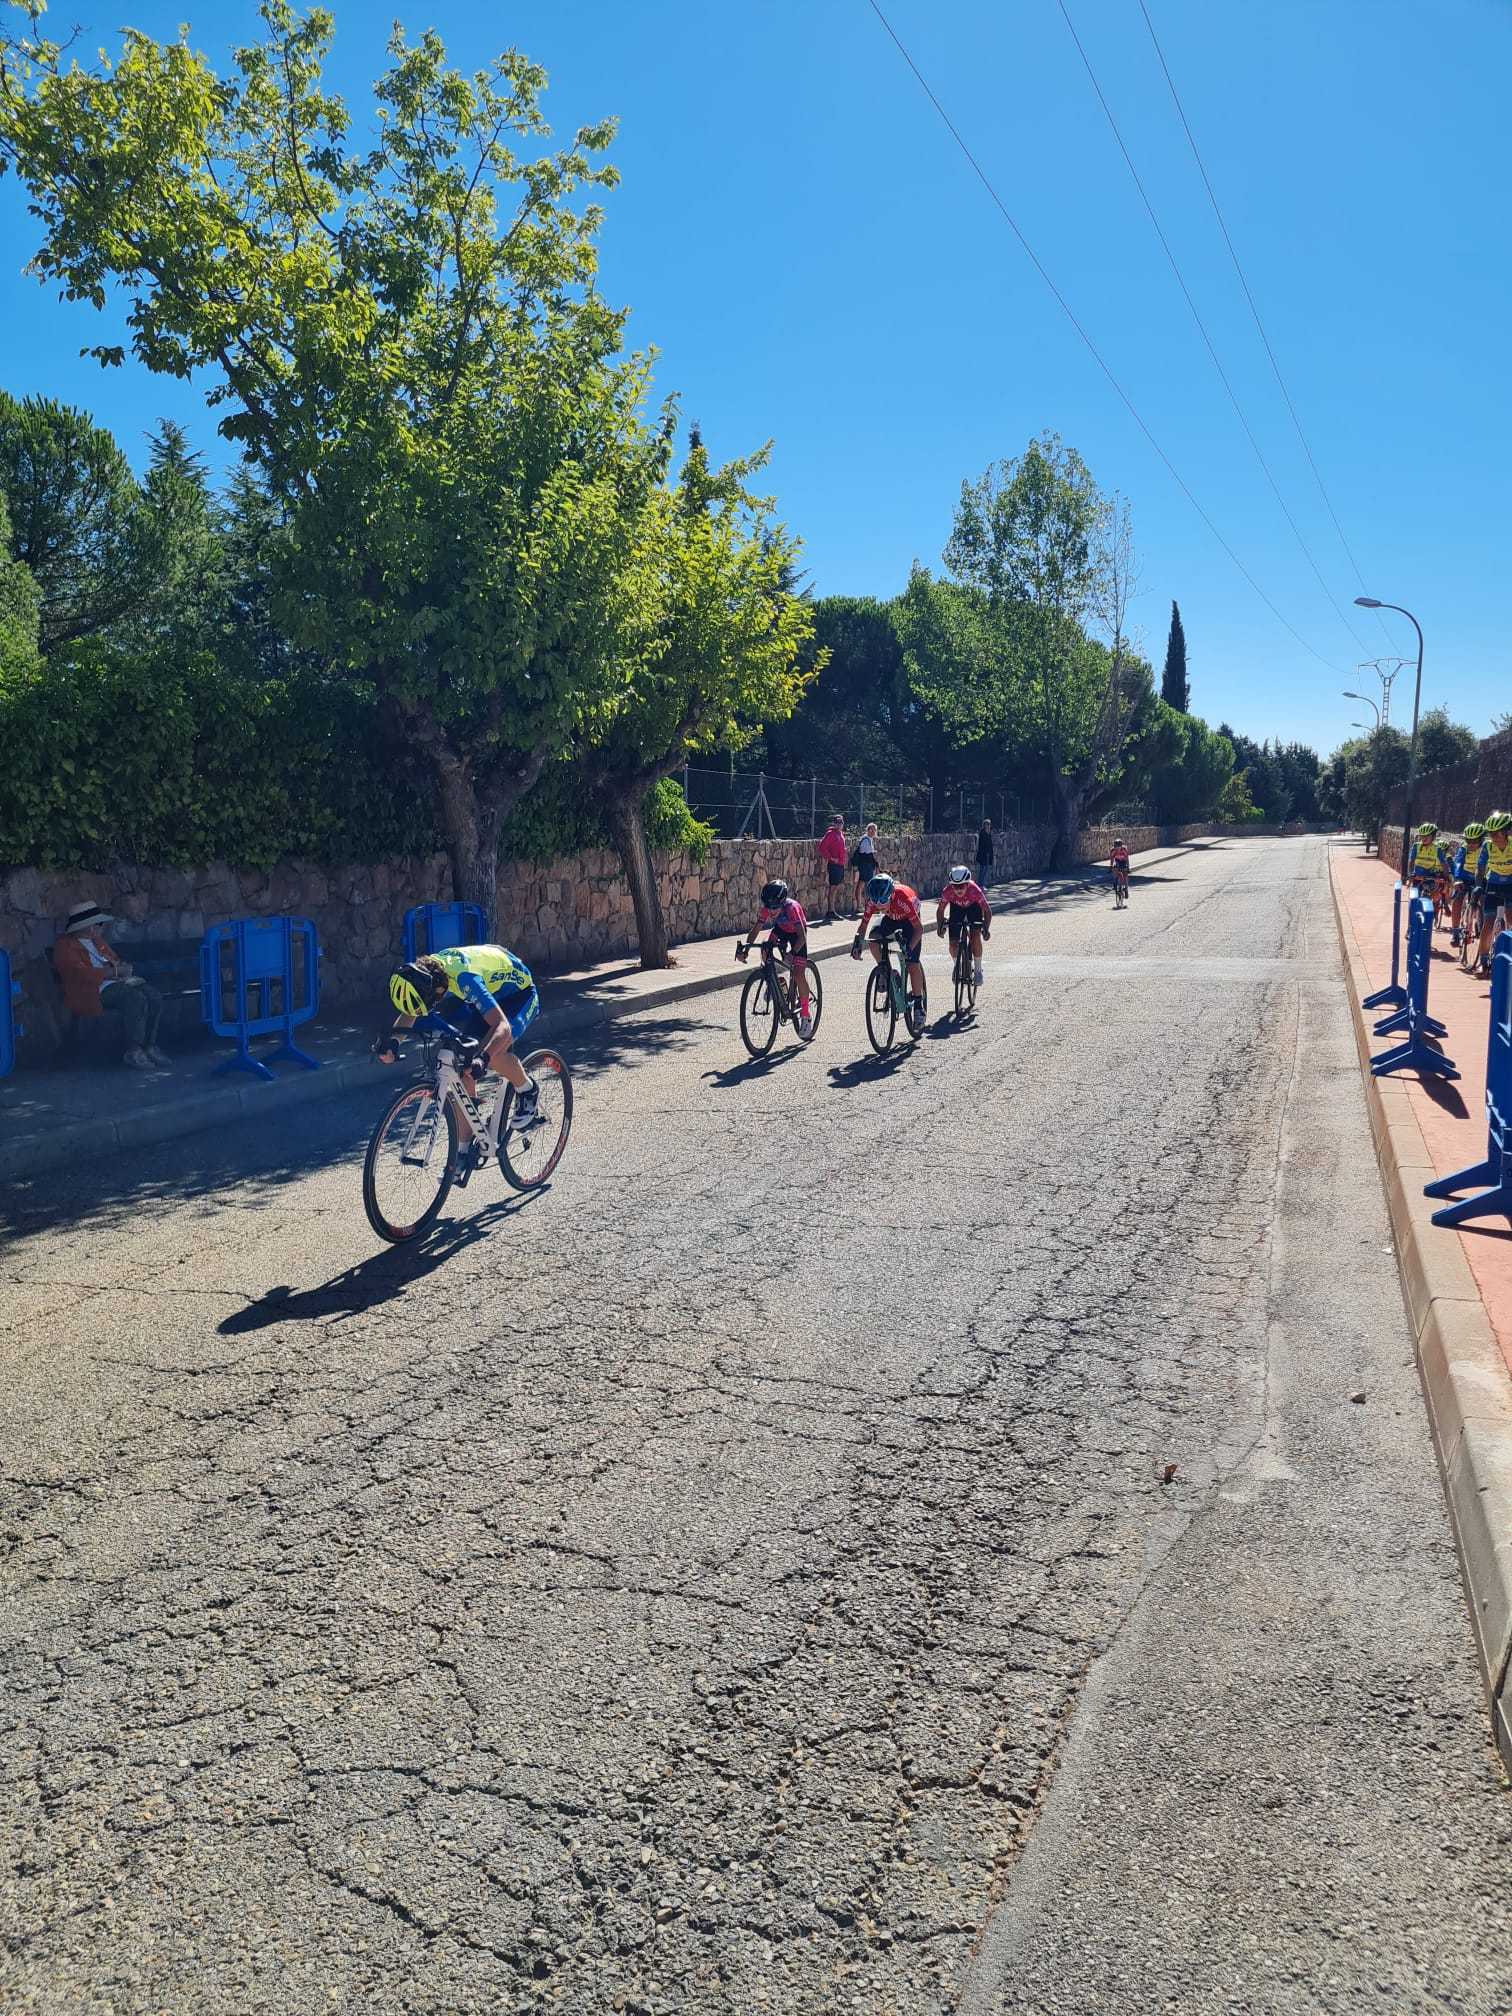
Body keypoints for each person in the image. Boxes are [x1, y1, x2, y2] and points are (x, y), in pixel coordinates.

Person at [379, 945, 540, 1184]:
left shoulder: (464, 979)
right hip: (492, 991)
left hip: (519, 995)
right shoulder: (426, 974)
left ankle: (527, 1089)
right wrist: (393, 1040)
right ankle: (463, 1152)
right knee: (461, 1066)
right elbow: (412, 1009)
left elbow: (502, 1027)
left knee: (492, 1055)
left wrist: (482, 1058)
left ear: (440, 990)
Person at [51, 900, 168, 1071]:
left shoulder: (97, 941)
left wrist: (123, 969)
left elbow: (114, 960)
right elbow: (80, 974)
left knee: (153, 995)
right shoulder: (65, 946)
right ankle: (134, 1050)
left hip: (114, 983)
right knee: (133, 997)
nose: (101, 927)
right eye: (98, 923)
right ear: (87, 926)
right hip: (89, 991)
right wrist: (114, 972)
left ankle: (149, 1045)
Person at [736, 878, 814, 1032]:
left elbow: (802, 937)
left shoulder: (791, 908)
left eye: (775, 909)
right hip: (781, 930)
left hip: (797, 934)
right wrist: (745, 949)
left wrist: (792, 953)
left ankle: (805, 1015)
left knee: (798, 974)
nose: (771, 912)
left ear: (782, 902)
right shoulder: (766, 909)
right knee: (765, 949)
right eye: (769, 908)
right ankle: (775, 983)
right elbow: (756, 930)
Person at [852, 872, 925, 1027]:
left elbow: (919, 929)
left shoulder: (903, 899)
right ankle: (886, 971)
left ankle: (918, 1005)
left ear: (891, 895)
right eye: (877, 904)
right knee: (873, 939)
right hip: (891, 919)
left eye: (883, 902)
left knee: (912, 963)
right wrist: (857, 943)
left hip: (909, 921)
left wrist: (909, 948)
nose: (880, 906)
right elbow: (863, 926)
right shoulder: (873, 902)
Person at [935, 865, 991, 989]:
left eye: (961, 886)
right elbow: (940, 910)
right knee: (953, 943)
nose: (958, 889)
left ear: (967, 884)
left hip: (973, 908)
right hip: (957, 909)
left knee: (975, 936)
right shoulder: (947, 891)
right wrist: (940, 926)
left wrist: (986, 928)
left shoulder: (975, 890)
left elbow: (987, 911)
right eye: (955, 886)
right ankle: (957, 966)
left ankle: (977, 970)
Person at [1473, 811, 1512, 973]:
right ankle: (1483, 959)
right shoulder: (1487, 846)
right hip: (1493, 884)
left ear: (1507, 831)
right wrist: (1478, 885)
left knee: (1510, 917)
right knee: (1488, 923)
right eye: (1490, 833)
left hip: (1510, 884)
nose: (1493, 837)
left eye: (1496, 833)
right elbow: (1480, 868)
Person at [1450, 821, 1484, 948]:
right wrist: (1457, 878)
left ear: (1481, 840)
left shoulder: (1485, 848)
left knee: (1483, 899)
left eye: (1474, 841)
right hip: (1464, 878)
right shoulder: (1464, 848)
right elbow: (1458, 863)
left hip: (1479, 879)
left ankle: (1480, 922)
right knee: (1457, 900)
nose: (1470, 844)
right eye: (1468, 841)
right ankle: (1455, 932)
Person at [816, 815, 849, 923]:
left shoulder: (840, 834)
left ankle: (832, 911)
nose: (839, 825)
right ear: (834, 823)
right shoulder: (830, 834)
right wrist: (831, 858)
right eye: (837, 823)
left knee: (835, 888)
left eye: (841, 823)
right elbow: (822, 847)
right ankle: (831, 911)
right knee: (833, 888)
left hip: (840, 864)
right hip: (834, 865)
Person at [1407, 822, 1442, 900]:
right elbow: (1411, 861)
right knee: (1414, 898)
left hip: (1431, 877)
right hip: (1417, 876)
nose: (1424, 838)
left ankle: (1433, 910)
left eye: (1427, 836)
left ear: (1433, 836)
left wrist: (1446, 877)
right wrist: (1410, 874)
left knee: (1436, 897)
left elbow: (1444, 863)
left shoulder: (1437, 848)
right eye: (1422, 836)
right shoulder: (1416, 846)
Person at [853, 822, 879, 913]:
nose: (872, 831)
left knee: (865, 885)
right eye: (870, 829)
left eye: (874, 830)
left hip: (867, 865)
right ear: (867, 830)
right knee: (861, 885)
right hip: (864, 865)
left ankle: (866, 905)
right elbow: (866, 853)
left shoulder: (869, 839)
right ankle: (860, 906)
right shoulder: (865, 840)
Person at [1109, 838, 1131, 903]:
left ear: (1121, 846)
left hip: (1123, 861)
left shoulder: (1124, 850)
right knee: (1115, 869)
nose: (1117, 849)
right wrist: (1110, 867)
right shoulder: (1112, 850)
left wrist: (1128, 867)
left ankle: (1126, 889)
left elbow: (1127, 859)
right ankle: (1115, 881)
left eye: (1119, 847)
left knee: (1125, 874)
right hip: (1117, 861)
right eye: (1116, 847)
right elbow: (1112, 859)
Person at [975, 819, 995, 887]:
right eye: (987, 824)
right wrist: (985, 852)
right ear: (985, 825)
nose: (988, 826)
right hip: (983, 853)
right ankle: (980, 884)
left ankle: (983, 884)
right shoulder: (982, 832)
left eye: (989, 824)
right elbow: (982, 844)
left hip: (988, 854)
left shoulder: (989, 833)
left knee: (986, 869)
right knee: (982, 869)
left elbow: (990, 844)